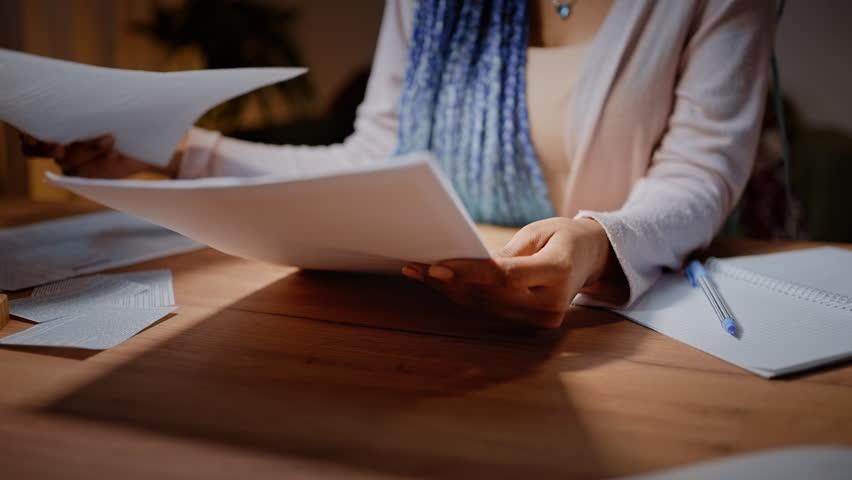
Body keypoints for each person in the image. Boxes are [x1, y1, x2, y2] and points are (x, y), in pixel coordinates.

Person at [20, 0, 775, 327]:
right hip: (423, 314)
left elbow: (699, 171)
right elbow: (373, 160)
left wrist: (600, 244)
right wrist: (166, 153)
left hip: (622, 319)